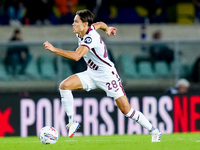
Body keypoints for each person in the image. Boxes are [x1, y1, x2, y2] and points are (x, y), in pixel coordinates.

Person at [43, 9, 161, 142]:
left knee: (126, 110)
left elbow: (77, 56)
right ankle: (72, 122)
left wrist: (54, 49)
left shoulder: (90, 37)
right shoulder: (85, 30)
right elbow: (99, 24)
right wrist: (107, 29)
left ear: (84, 24)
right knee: (64, 86)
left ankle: (154, 131)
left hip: (107, 76)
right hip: (92, 73)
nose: (73, 24)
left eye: (76, 22)